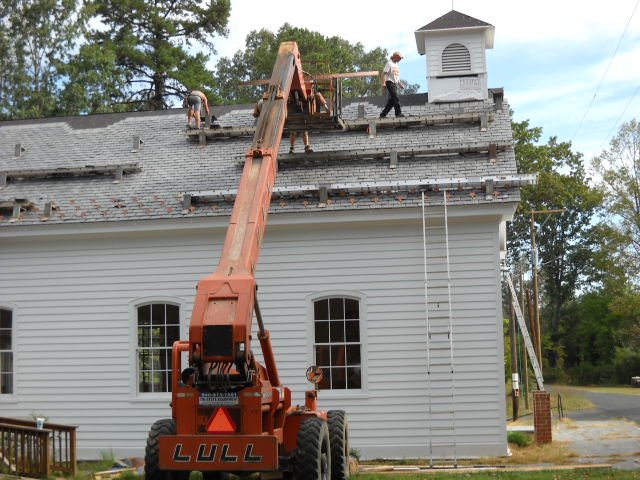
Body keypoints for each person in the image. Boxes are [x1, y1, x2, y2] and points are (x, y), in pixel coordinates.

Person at [379, 51, 405, 118]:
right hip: (389, 82)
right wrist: (384, 83)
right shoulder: (389, 63)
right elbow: (384, 73)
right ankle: (398, 114)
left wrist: (400, 84)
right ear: (395, 57)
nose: (400, 60)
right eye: (399, 58)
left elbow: (396, 77)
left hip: (394, 83)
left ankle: (383, 114)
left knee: (392, 101)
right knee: (396, 98)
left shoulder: (396, 65)